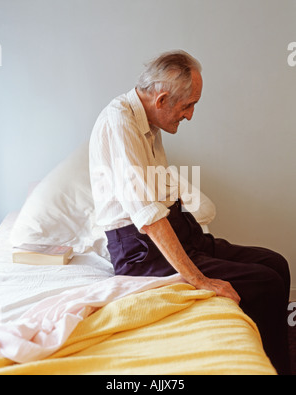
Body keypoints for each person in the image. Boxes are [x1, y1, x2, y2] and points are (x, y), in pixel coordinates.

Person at [89, 50, 291, 375]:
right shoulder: (119, 124)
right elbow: (150, 219)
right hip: (143, 253)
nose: (190, 115)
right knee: (265, 283)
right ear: (162, 99)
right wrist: (200, 280)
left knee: (275, 263)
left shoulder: (148, 123)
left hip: (181, 232)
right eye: (188, 105)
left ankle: (276, 357)